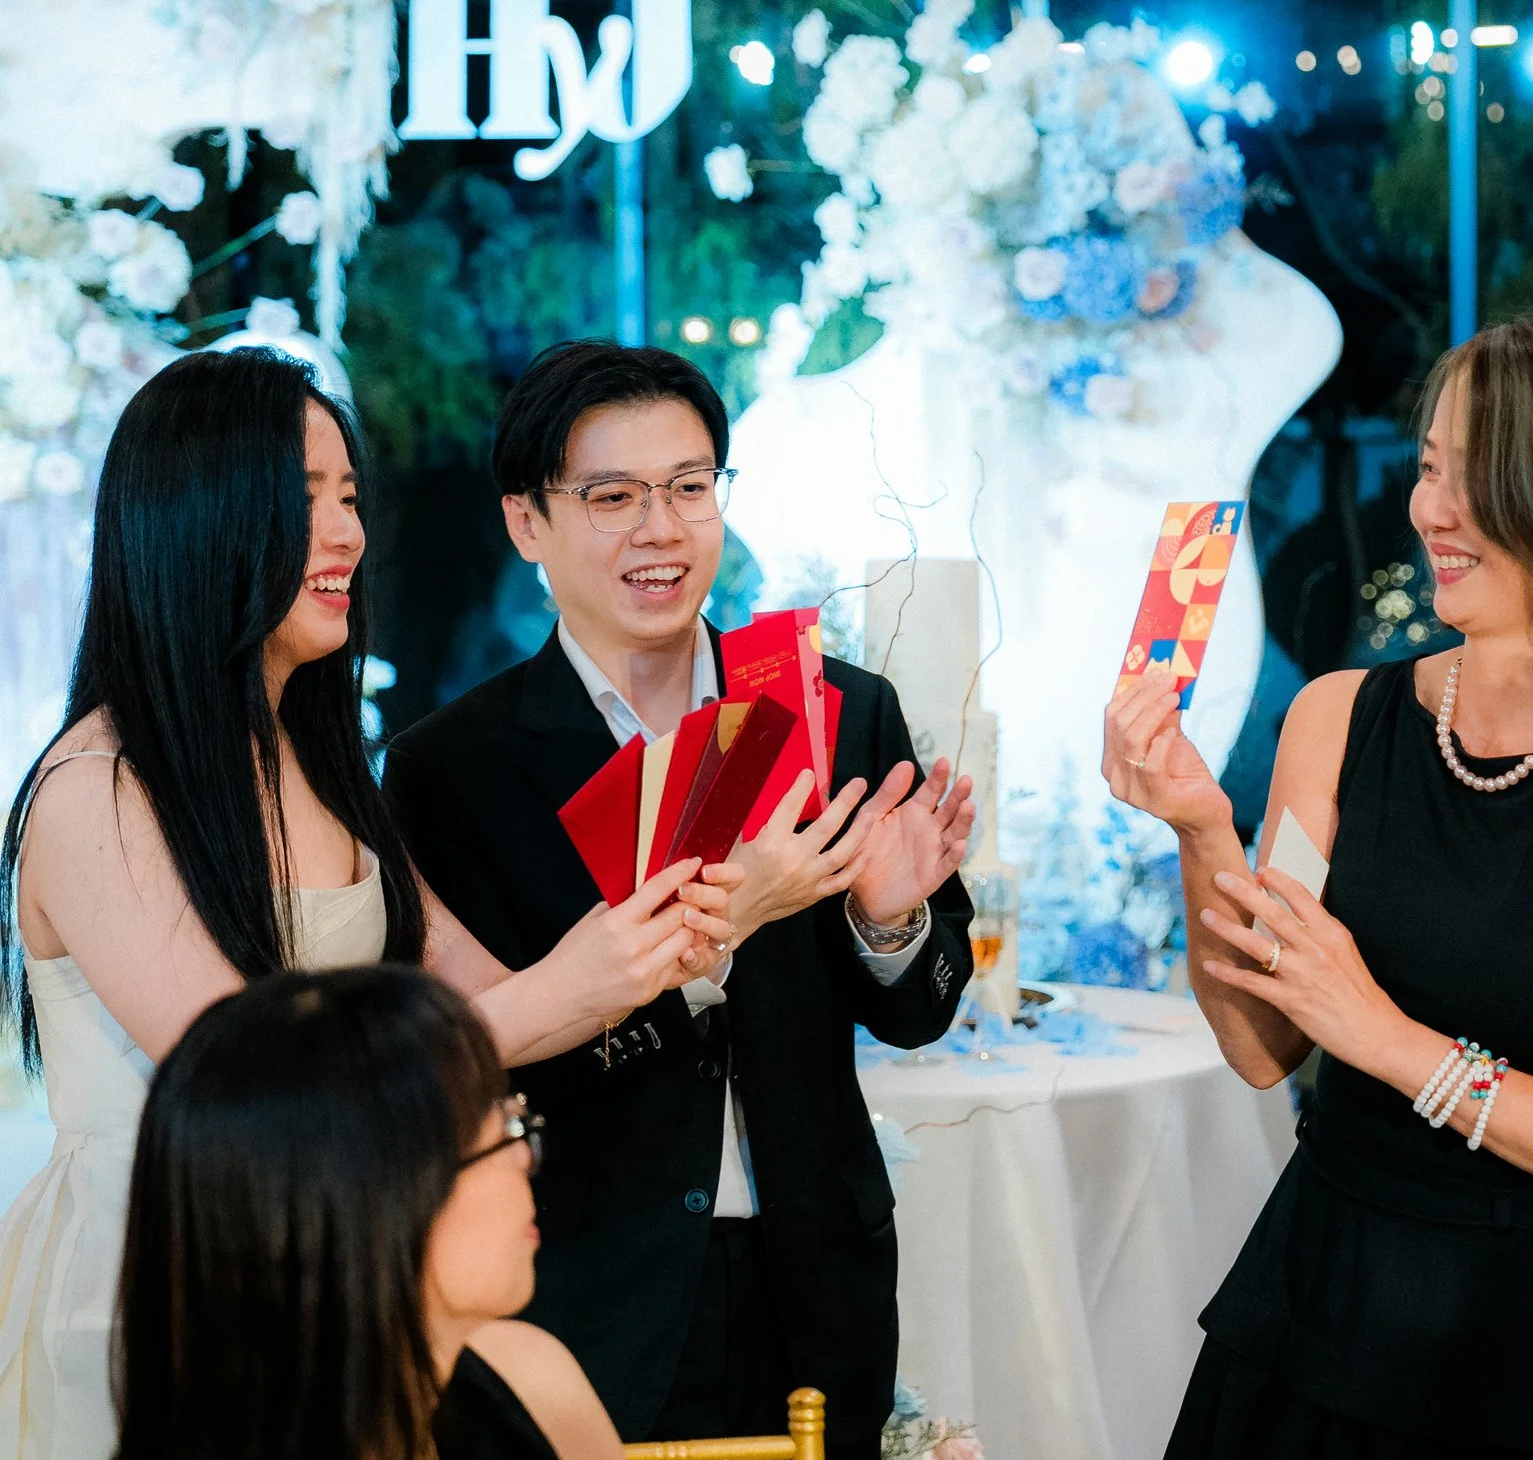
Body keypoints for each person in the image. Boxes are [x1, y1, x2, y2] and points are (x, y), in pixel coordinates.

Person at [0, 349, 727, 1460]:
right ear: (199, 519)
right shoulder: (97, 783)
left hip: (330, 1275)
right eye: (305, 501)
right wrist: (569, 986)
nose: (348, 535)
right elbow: (259, 1090)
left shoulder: (315, 758)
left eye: (349, 498)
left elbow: (493, 992)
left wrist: (709, 913)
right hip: (155, 1277)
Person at [1106, 312, 1533, 1459]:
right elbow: (1262, 1042)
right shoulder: (1339, 718)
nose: (1427, 512)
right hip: (1322, 1305)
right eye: (1426, 469)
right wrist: (1201, 828)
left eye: (1472, 480)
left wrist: (1395, 1040)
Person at [384, 341, 977, 1452]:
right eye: (612, 496)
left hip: (815, 1275)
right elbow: (474, 1059)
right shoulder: (452, 768)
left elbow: (917, 1007)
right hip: (585, 1282)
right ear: (527, 522)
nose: (660, 530)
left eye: (690, 487)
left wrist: (886, 920)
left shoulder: (835, 710)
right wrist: (709, 935)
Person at [115, 963, 623, 1460]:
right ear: (368, 1196)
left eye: (514, 1120)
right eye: (500, 1135)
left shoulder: (531, 1380)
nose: (524, 1158)